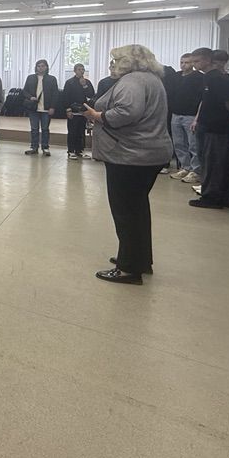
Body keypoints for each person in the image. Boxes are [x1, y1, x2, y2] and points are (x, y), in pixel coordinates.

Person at [83, 44, 173, 285]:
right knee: (138, 210)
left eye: (116, 60)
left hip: (131, 155)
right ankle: (139, 258)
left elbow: (126, 113)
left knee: (126, 213)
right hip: (148, 152)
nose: (112, 64)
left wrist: (97, 116)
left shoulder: (132, 81)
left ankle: (128, 268)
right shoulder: (152, 79)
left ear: (128, 61)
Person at [190, 48, 229, 209]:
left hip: (218, 127)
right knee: (214, 162)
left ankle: (212, 198)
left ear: (208, 60)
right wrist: (197, 119)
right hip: (208, 125)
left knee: (214, 164)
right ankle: (224, 198)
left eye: (197, 61)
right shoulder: (207, 78)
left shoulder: (219, 79)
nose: (194, 65)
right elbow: (205, 101)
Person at [168, 53, 202, 185]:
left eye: (187, 62)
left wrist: (197, 118)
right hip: (176, 114)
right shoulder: (176, 76)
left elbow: (202, 99)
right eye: (182, 62)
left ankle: (196, 171)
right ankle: (185, 167)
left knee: (193, 145)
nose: (183, 65)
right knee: (178, 143)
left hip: (191, 115)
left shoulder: (199, 77)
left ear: (192, 63)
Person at [23, 59, 59, 156]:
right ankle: (34, 147)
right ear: (36, 67)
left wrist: (52, 107)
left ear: (46, 67)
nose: (40, 68)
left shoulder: (52, 79)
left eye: (43, 66)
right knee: (34, 129)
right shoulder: (30, 78)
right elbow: (24, 91)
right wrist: (30, 97)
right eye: (38, 66)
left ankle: (45, 147)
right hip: (33, 108)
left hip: (46, 108)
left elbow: (55, 94)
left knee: (45, 129)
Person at [62, 63, 96, 160]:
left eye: (83, 69)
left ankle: (79, 151)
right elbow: (65, 97)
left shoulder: (87, 82)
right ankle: (71, 151)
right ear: (75, 71)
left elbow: (91, 95)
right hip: (73, 110)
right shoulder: (69, 82)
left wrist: (84, 85)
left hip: (84, 111)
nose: (81, 71)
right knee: (72, 132)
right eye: (79, 69)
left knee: (81, 132)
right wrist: (68, 110)